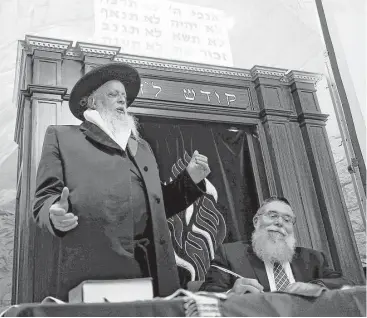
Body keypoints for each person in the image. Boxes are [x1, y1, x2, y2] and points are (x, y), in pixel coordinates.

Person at [33, 63, 211, 301]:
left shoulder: (142, 147)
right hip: (96, 268)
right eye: (113, 94)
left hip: (152, 269)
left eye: (124, 97)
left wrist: (190, 180)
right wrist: (53, 213)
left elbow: (158, 208)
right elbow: (44, 199)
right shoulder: (62, 137)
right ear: (92, 102)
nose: (122, 101)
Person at [200, 197, 353, 294]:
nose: (280, 222)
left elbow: (345, 283)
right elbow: (205, 295)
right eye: (273, 216)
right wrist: (231, 293)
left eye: (287, 220)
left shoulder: (313, 258)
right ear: (256, 221)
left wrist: (317, 286)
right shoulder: (230, 254)